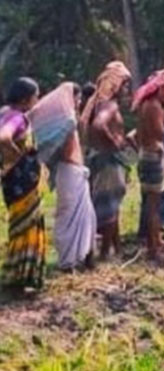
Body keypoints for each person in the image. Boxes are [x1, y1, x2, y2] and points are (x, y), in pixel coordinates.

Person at [29, 82, 97, 272]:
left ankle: (83, 257)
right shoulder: (67, 122)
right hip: (70, 173)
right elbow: (68, 150)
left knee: (86, 217)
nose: (78, 102)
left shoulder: (69, 120)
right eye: (77, 98)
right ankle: (68, 261)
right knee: (69, 216)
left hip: (73, 173)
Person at [81, 61, 132, 260]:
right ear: (115, 84)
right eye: (125, 85)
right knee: (108, 207)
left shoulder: (97, 104)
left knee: (110, 206)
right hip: (107, 161)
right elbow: (99, 126)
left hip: (100, 158)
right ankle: (103, 254)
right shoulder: (108, 105)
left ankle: (115, 249)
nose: (127, 89)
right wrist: (115, 143)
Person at [0, 77, 44, 289]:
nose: (38, 99)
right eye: (36, 96)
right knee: (26, 225)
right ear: (26, 99)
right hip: (22, 181)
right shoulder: (17, 117)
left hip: (12, 181)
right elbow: (4, 138)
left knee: (18, 224)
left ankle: (18, 271)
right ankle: (22, 274)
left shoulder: (4, 113)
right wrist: (19, 157)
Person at [134, 68, 164, 260]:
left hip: (149, 155)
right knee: (154, 205)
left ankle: (158, 241)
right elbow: (162, 133)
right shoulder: (153, 106)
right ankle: (153, 249)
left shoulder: (147, 104)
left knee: (154, 202)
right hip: (153, 157)